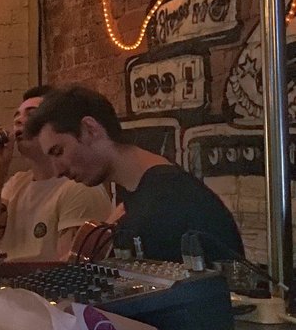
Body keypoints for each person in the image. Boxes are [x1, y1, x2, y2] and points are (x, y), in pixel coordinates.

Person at [23, 84, 244, 263]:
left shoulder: (167, 203)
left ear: (90, 129)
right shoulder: (141, 193)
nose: (58, 170)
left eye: (58, 152)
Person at [0, 86, 114, 294]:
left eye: (31, 115)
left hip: (39, 300)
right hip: (7, 293)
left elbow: (67, 272)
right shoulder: (17, 183)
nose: (20, 121)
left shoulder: (78, 187)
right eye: (17, 117)